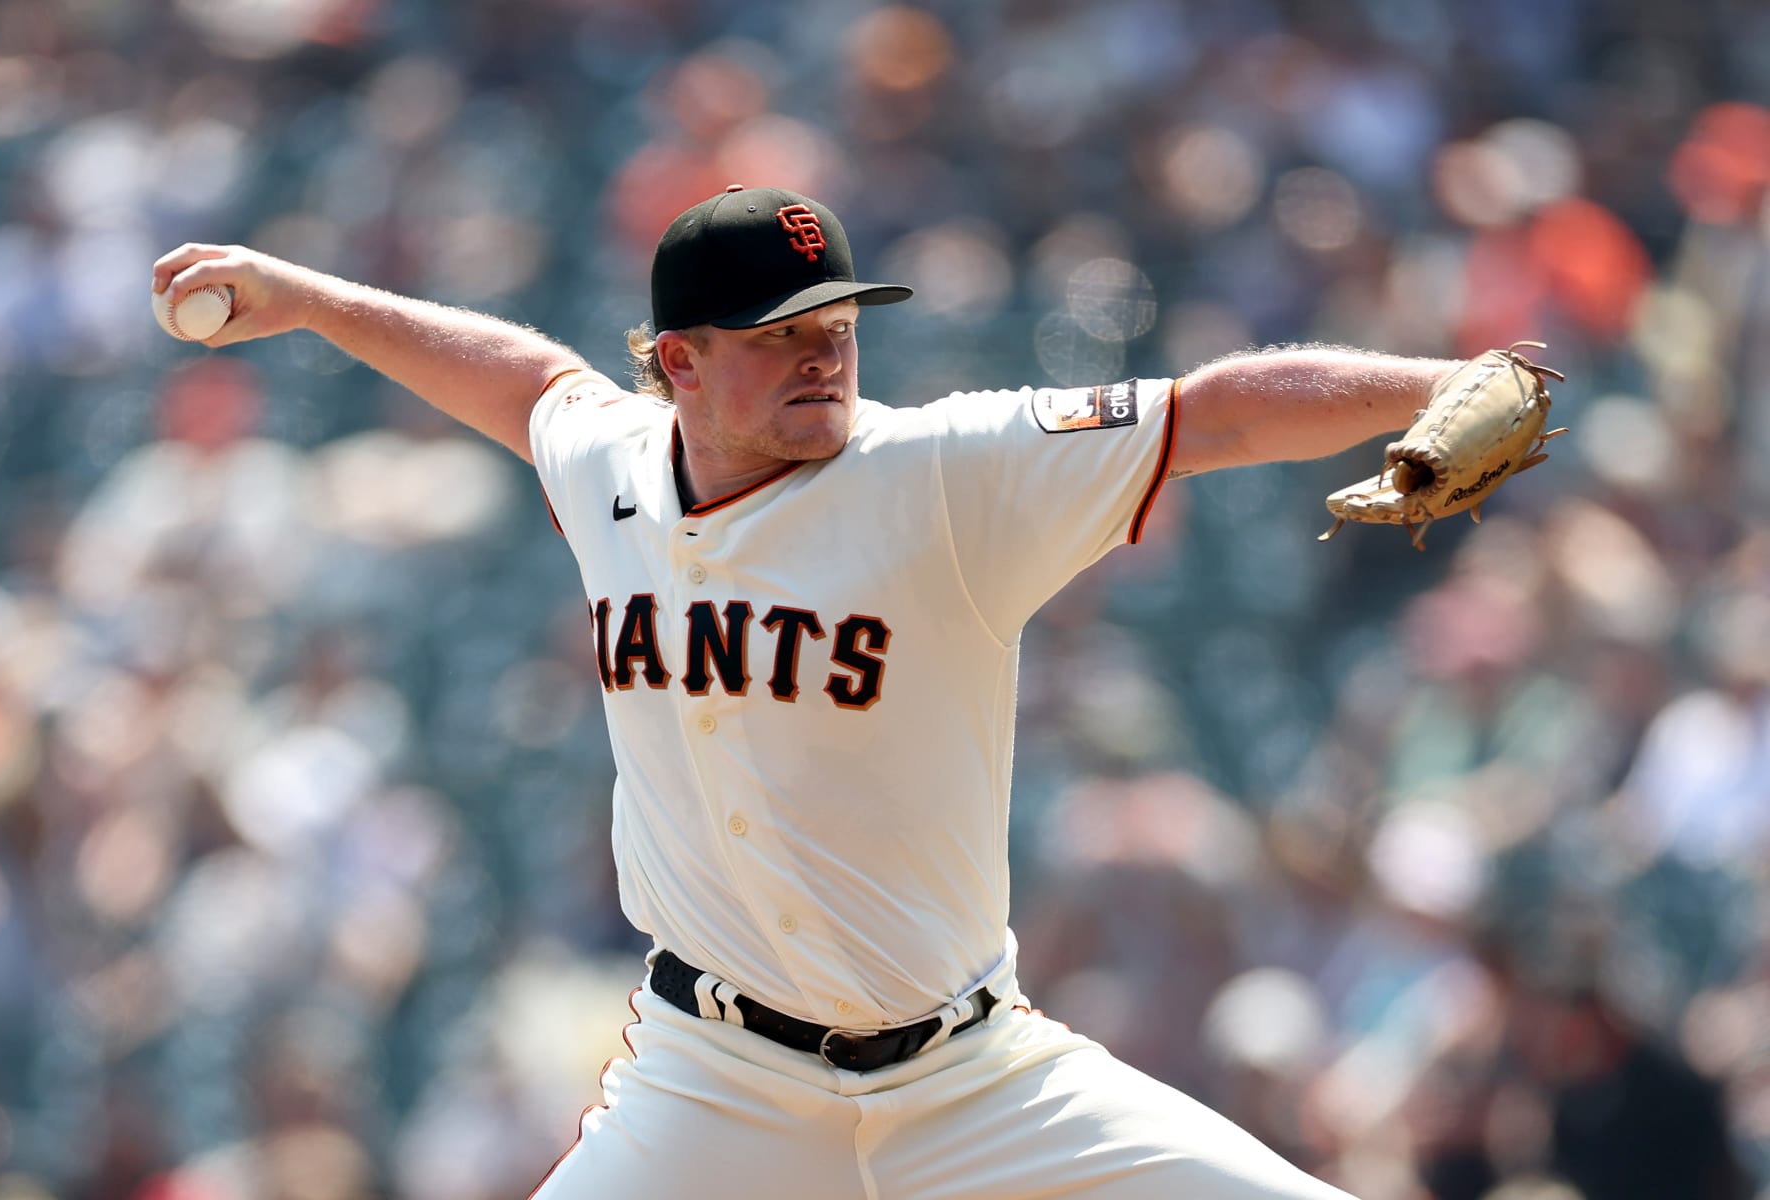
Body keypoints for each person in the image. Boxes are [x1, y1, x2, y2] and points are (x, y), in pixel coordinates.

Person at [153, 185, 1461, 1199]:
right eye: (780, 338)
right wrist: (307, 298)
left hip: (973, 1080)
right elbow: (518, 377)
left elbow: (1214, 411)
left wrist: (1439, 388)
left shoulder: (940, 476)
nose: (825, 358)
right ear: (676, 364)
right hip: (712, 1085)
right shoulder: (611, 465)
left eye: (836, 327)